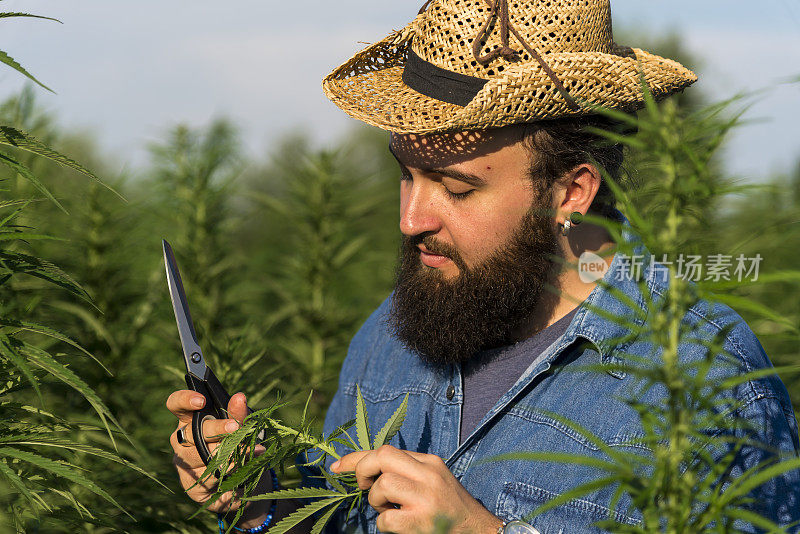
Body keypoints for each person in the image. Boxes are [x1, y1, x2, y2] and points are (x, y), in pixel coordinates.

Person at [167, 0, 800, 532]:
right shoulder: (390, 336)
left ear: (572, 192)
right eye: (406, 176)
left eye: (457, 187)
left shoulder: (700, 369)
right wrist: (265, 501)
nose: (411, 218)